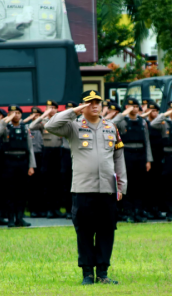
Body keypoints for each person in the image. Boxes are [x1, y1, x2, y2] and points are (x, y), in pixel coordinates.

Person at [45, 90, 126, 285]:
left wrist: (122, 185)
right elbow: (50, 125)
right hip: (83, 190)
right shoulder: (73, 127)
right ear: (83, 105)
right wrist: (75, 111)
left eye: (97, 102)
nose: (95, 105)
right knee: (84, 232)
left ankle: (103, 273)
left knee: (106, 231)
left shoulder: (110, 126)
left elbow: (119, 158)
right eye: (90, 102)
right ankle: (88, 274)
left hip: (107, 189)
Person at [0, 105, 36, 228]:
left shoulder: (25, 127)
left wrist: (31, 166)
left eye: (18, 113)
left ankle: (20, 218)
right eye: (12, 113)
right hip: (9, 162)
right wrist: (5, 121)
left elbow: (30, 148)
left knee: (21, 192)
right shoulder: (5, 127)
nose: (15, 115)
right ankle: (11, 219)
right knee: (10, 192)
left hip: (22, 161)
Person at [111, 97, 153, 223]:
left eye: (135, 107)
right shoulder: (122, 121)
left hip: (140, 154)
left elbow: (147, 141)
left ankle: (138, 211)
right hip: (126, 154)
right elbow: (111, 123)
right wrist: (123, 113)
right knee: (127, 184)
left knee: (139, 185)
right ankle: (128, 211)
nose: (134, 109)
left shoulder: (142, 122)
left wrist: (148, 160)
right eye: (131, 106)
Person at [30, 100, 66, 218]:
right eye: (50, 108)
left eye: (54, 108)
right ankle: (49, 209)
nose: (52, 110)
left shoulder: (61, 121)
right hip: (47, 153)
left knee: (57, 182)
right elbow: (31, 126)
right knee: (47, 182)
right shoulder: (43, 122)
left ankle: (56, 209)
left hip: (58, 152)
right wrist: (43, 115)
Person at [140, 100, 166, 220]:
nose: (153, 113)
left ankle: (156, 209)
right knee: (146, 185)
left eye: (155, 110)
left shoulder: (160, 123)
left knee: (157, 185)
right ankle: (147, 209)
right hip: (147, 157)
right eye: (151, 110)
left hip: (158, 156)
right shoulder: (143, 122)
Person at [21, 106, 44, 217]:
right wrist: (32, 118)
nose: (35, 117)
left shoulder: (43, 125)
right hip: (31, 157)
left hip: (41, 156)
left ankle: (41, 209)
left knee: (41, 184)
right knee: (32, 185)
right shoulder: (27, 127)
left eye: (37, 115)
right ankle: (33, 209)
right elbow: (30, 125)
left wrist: (40, 119)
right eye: (33, 115)